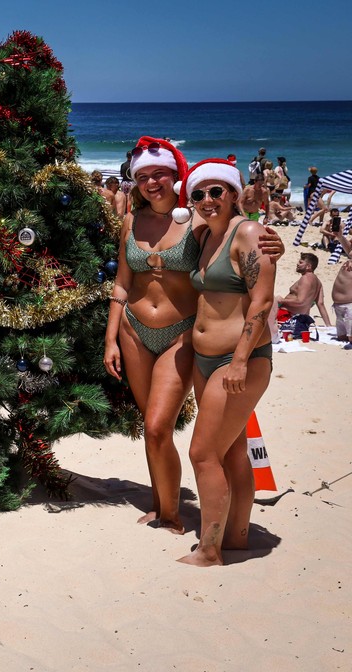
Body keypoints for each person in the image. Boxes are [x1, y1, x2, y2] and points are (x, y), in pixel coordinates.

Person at [104, 137, 283, 534]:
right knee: (152, 430)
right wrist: (110, 338)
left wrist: (275, 244)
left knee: (158, 426)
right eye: (143, 176)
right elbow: (121, 283)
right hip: (133, 330)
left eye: (160, 174)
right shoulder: (131, 221)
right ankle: (162, 506)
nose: (152, 183)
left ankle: (173, 516)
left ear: (175, 176)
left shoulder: (198, 219)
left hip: (180, 335)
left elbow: (236, 238)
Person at [179, 159, 276, 567]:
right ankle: (236, 538)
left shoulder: (248, 233)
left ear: (234, 194)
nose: (207, 200)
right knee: (233, 450)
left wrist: (238, 361)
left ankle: (209, 550)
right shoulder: (204, 235)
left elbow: (262, 301)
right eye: (199, 194)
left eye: (216, 191)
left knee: (202, 454)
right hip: (206, 360)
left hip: (239, 360)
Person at [268, 252, 332, 341]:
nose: (297, 264)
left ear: (308, 266)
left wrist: (281, 300)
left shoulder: (305, 278)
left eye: (301, 262)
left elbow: (301, 301)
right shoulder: (318, 282)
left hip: (286, 316)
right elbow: (320, 304)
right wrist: (328, 326)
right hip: (299, 319)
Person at [321, 227, 352, 342]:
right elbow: (349, 251)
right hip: (339, 305)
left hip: (350, 306)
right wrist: (340, 236)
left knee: (350, 337)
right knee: (342, 337)